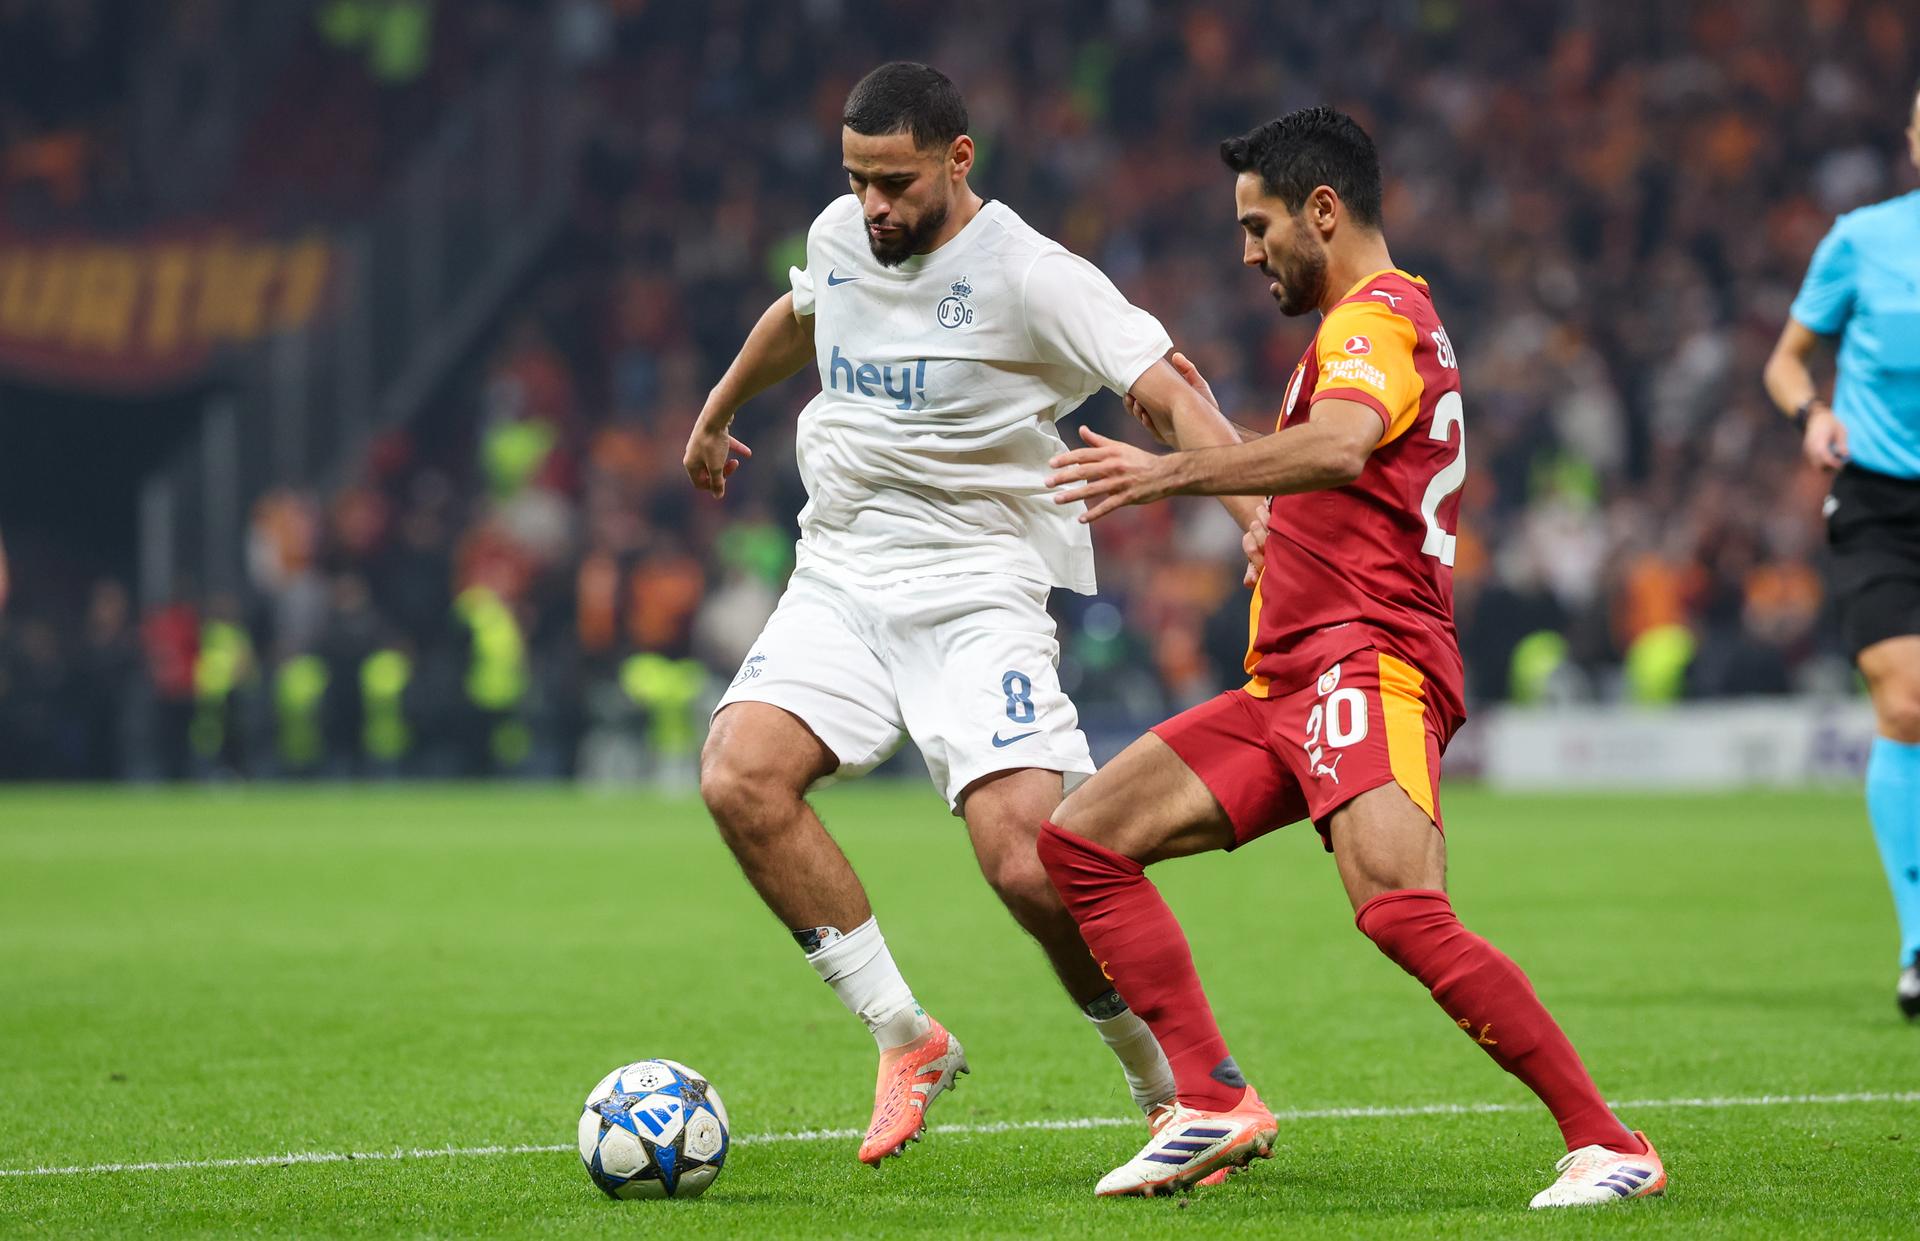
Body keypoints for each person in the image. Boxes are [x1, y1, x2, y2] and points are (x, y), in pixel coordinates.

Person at [1033, 107, 1663, 1207]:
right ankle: (1214, 1099)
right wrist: (1263, 512)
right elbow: (1336, 470)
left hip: (1366, 661)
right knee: (1083, 841)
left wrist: (1163, 475)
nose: (1246, 251)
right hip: (1286, 680)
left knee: (1399, 908)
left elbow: (1341, 443)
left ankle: (1610, 1141)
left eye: (1257, 223)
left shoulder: (1375, 317)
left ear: (1323, 211)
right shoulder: (1361, 329)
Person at [681, 61, 1260, 1166]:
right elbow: (807, 311)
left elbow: (1174, 393)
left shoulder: (1035, 276)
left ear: (959, 159)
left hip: (976, 582)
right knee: (738, 774)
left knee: (1030, 861)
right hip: (842, 573)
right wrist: (716, 413)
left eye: (894, 183)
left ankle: (1173, 1085)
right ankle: (906, 1036)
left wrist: (1253, 520)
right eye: (856, 181)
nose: (873, 208)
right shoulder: (847, 232)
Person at [1764, 78, 1920, 1020]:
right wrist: (1812, 412)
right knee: (1905, 701)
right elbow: (1785, 357)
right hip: (1882, 504)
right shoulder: (1863, 238)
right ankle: (1918, 941)